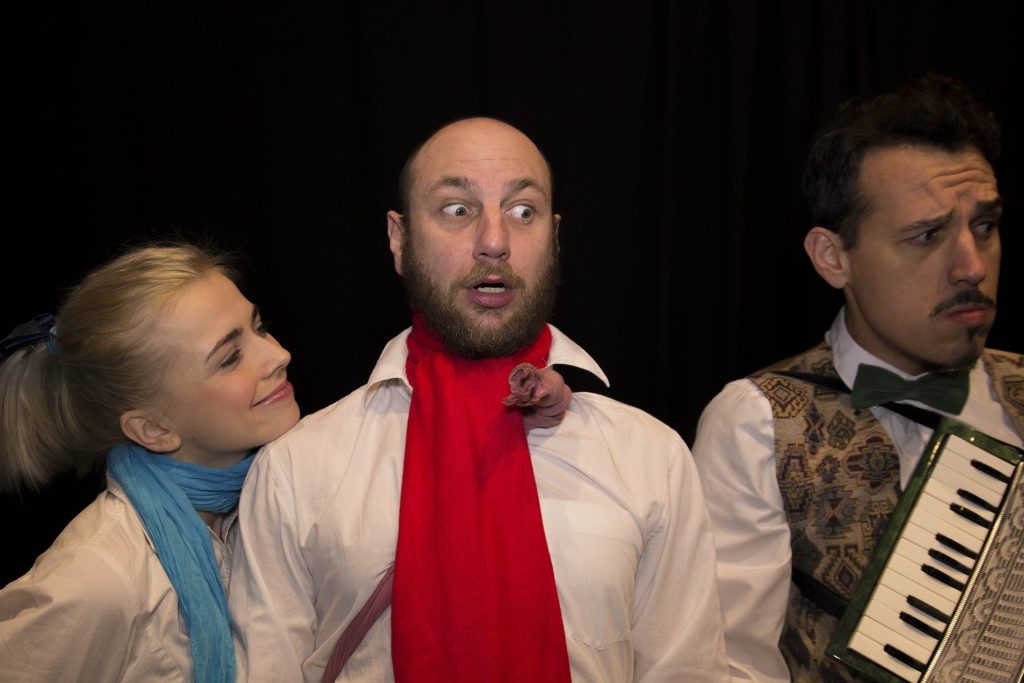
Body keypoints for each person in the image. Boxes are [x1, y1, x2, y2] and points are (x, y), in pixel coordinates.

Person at [229, 116, 728, 682]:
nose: (494, 241)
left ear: (555, 239)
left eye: (523, 212)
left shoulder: (652, 458)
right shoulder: (297, 469)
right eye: (457, 209)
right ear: (399, 240)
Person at [692, 74, 1023, 682]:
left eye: (984, 226)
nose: (972, 266)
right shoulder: (758, 422)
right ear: (832, 257)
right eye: (926, 235)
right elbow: (730, 668)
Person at [0, 243, 301, 682]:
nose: (278, 355)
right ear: (154, 430)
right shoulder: (96, 579)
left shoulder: (272, 497)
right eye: (230, 357)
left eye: (260, 327)